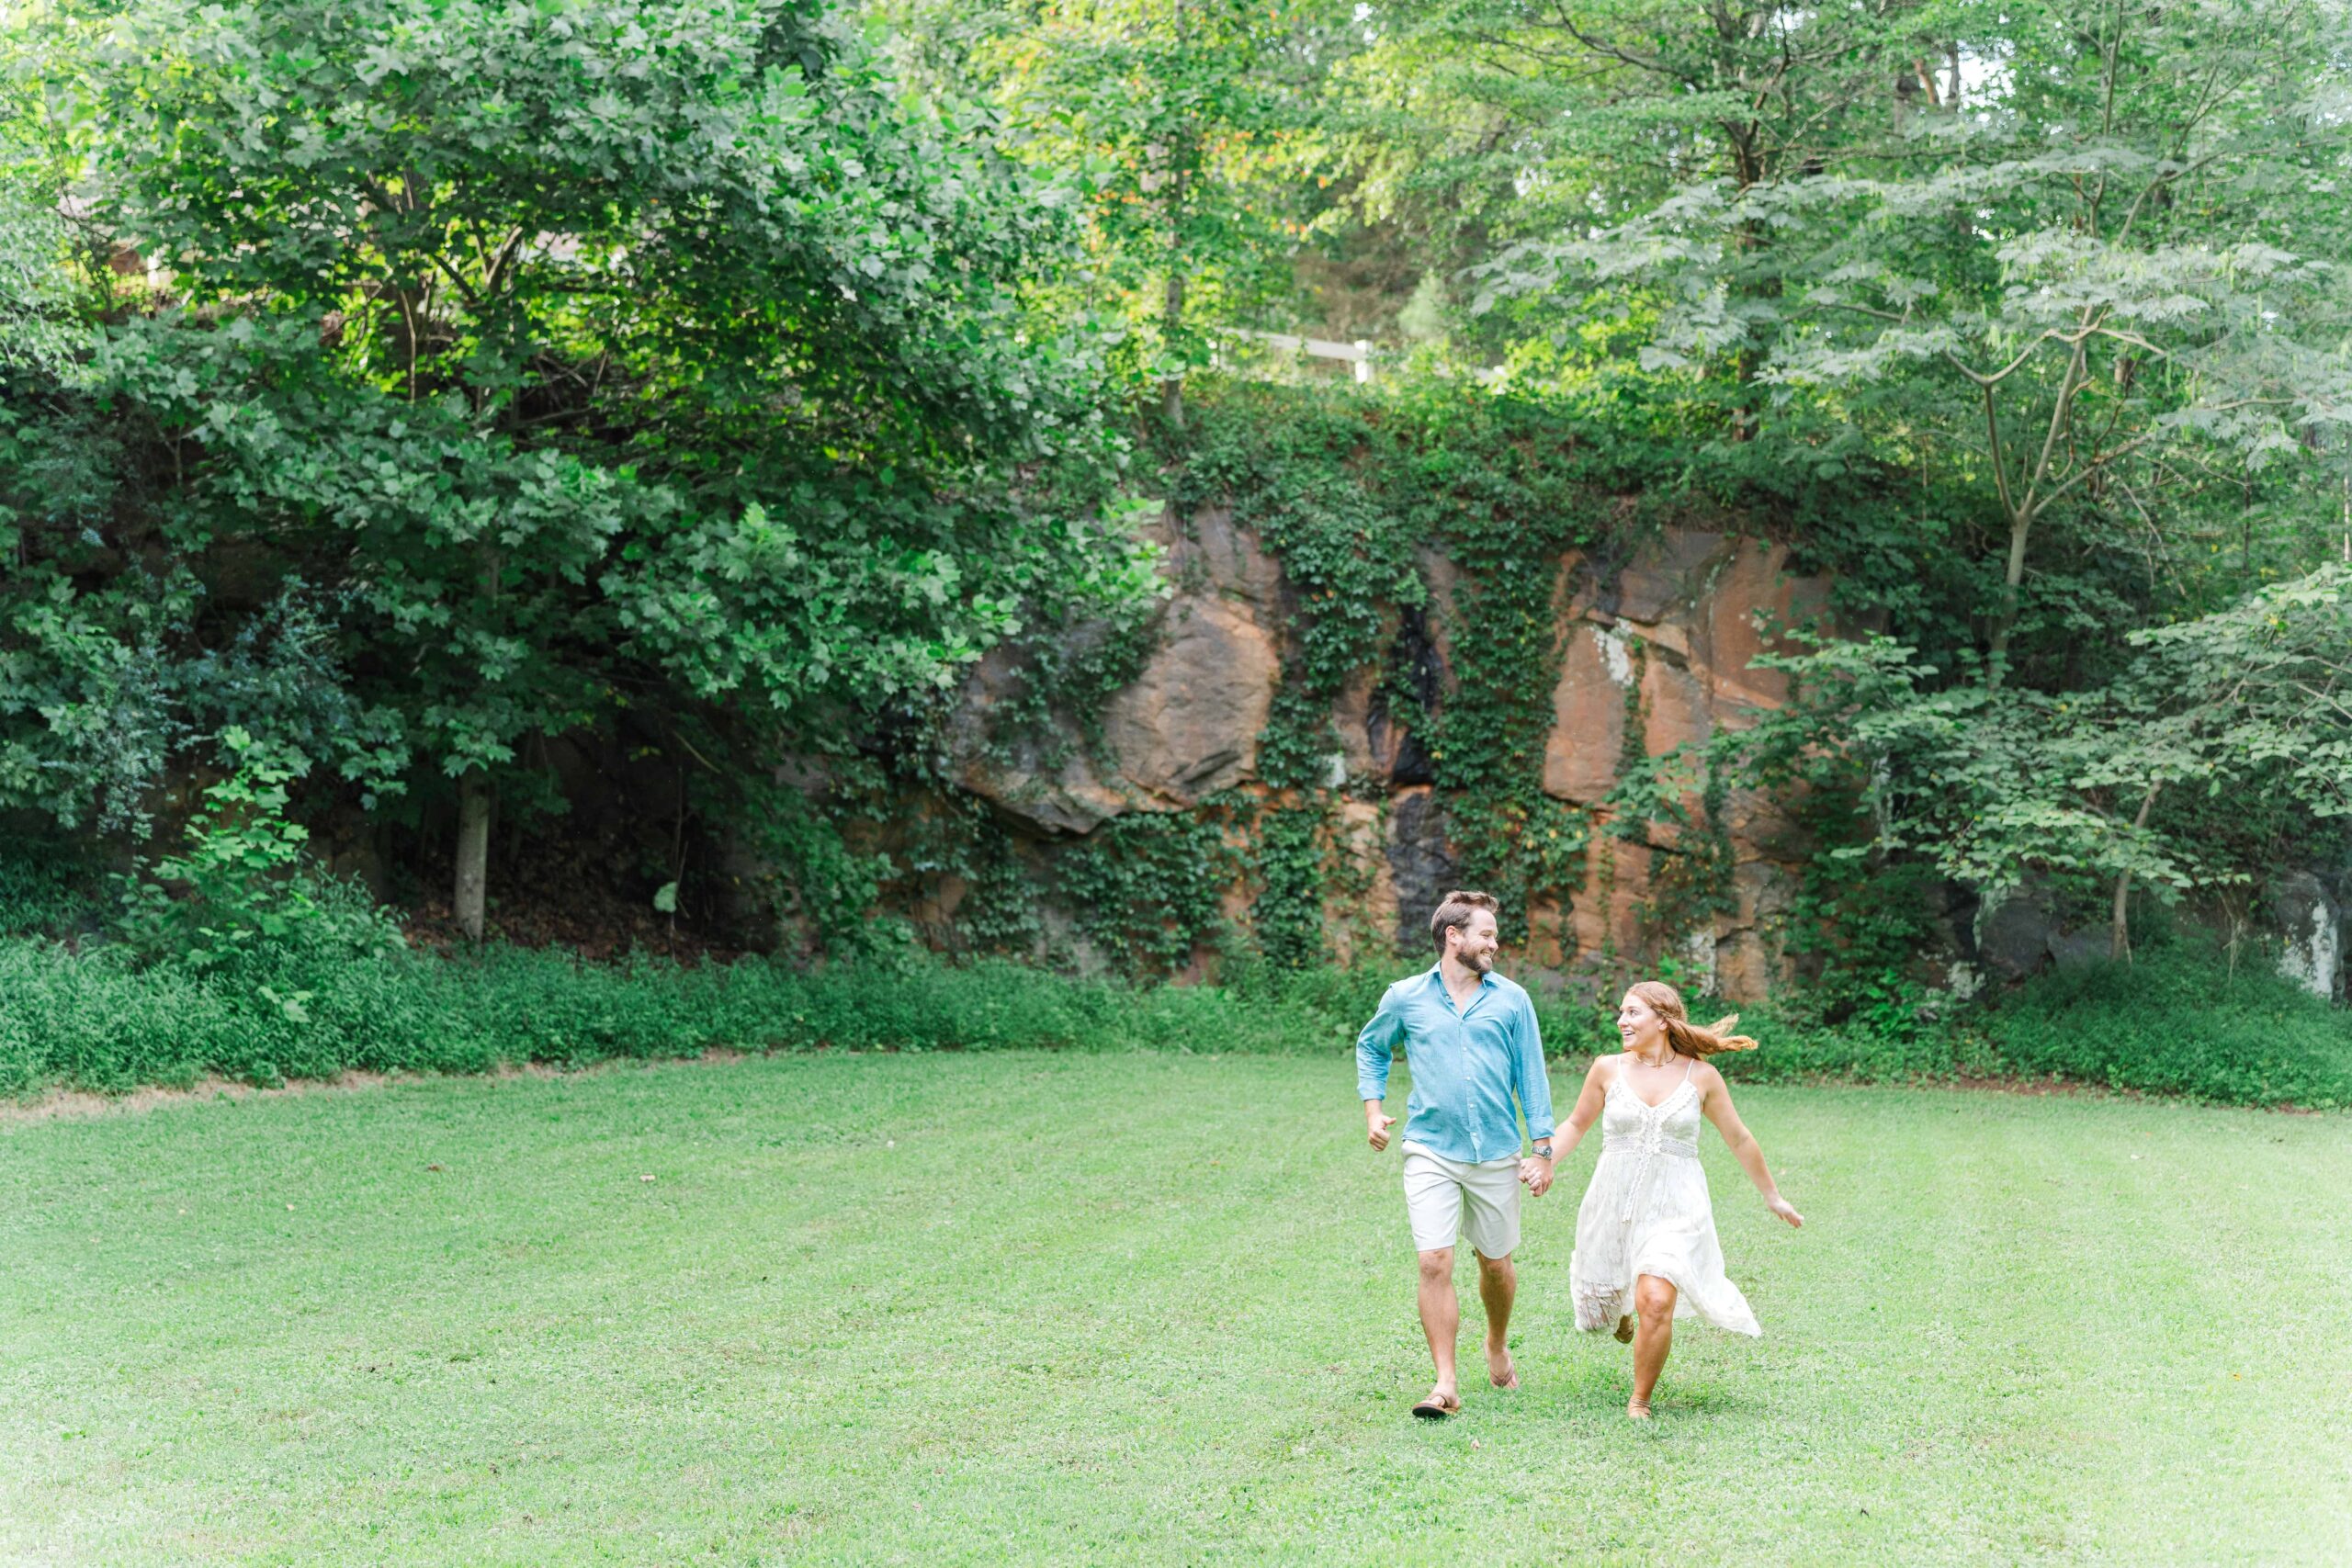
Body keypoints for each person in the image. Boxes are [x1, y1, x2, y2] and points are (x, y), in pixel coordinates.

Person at [1554, 980, 1803, 1420]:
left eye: (1632, 1013)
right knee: (1613, 1299)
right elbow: (1575, 1124)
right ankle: (1624, 1310)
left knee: (1655, 1297)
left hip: (1676, 1204)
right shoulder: (1607, 1069)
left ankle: (1640, 1400)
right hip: (1614, 1200)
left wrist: (1773, 1196)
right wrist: (1542, 1160)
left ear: (1663, 1021)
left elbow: (1739, 1138)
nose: (1621, 1021)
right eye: (1621, 1012)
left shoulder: (1701, 1076)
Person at [1356, 890, 1556, 1419]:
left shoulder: (1512, 1000)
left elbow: (1530, 1075)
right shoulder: (1404, 996)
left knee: (1495, 1263)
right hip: (1430, 1148)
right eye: (1486, 934)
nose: (1495, 943)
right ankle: (1445, 1383)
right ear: (1454, 936)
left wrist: (1542, 1149)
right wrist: (1373, 1111)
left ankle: (1495, 1342)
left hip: (1494, 1151)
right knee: (1433, 1260)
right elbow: (1372, 1046)